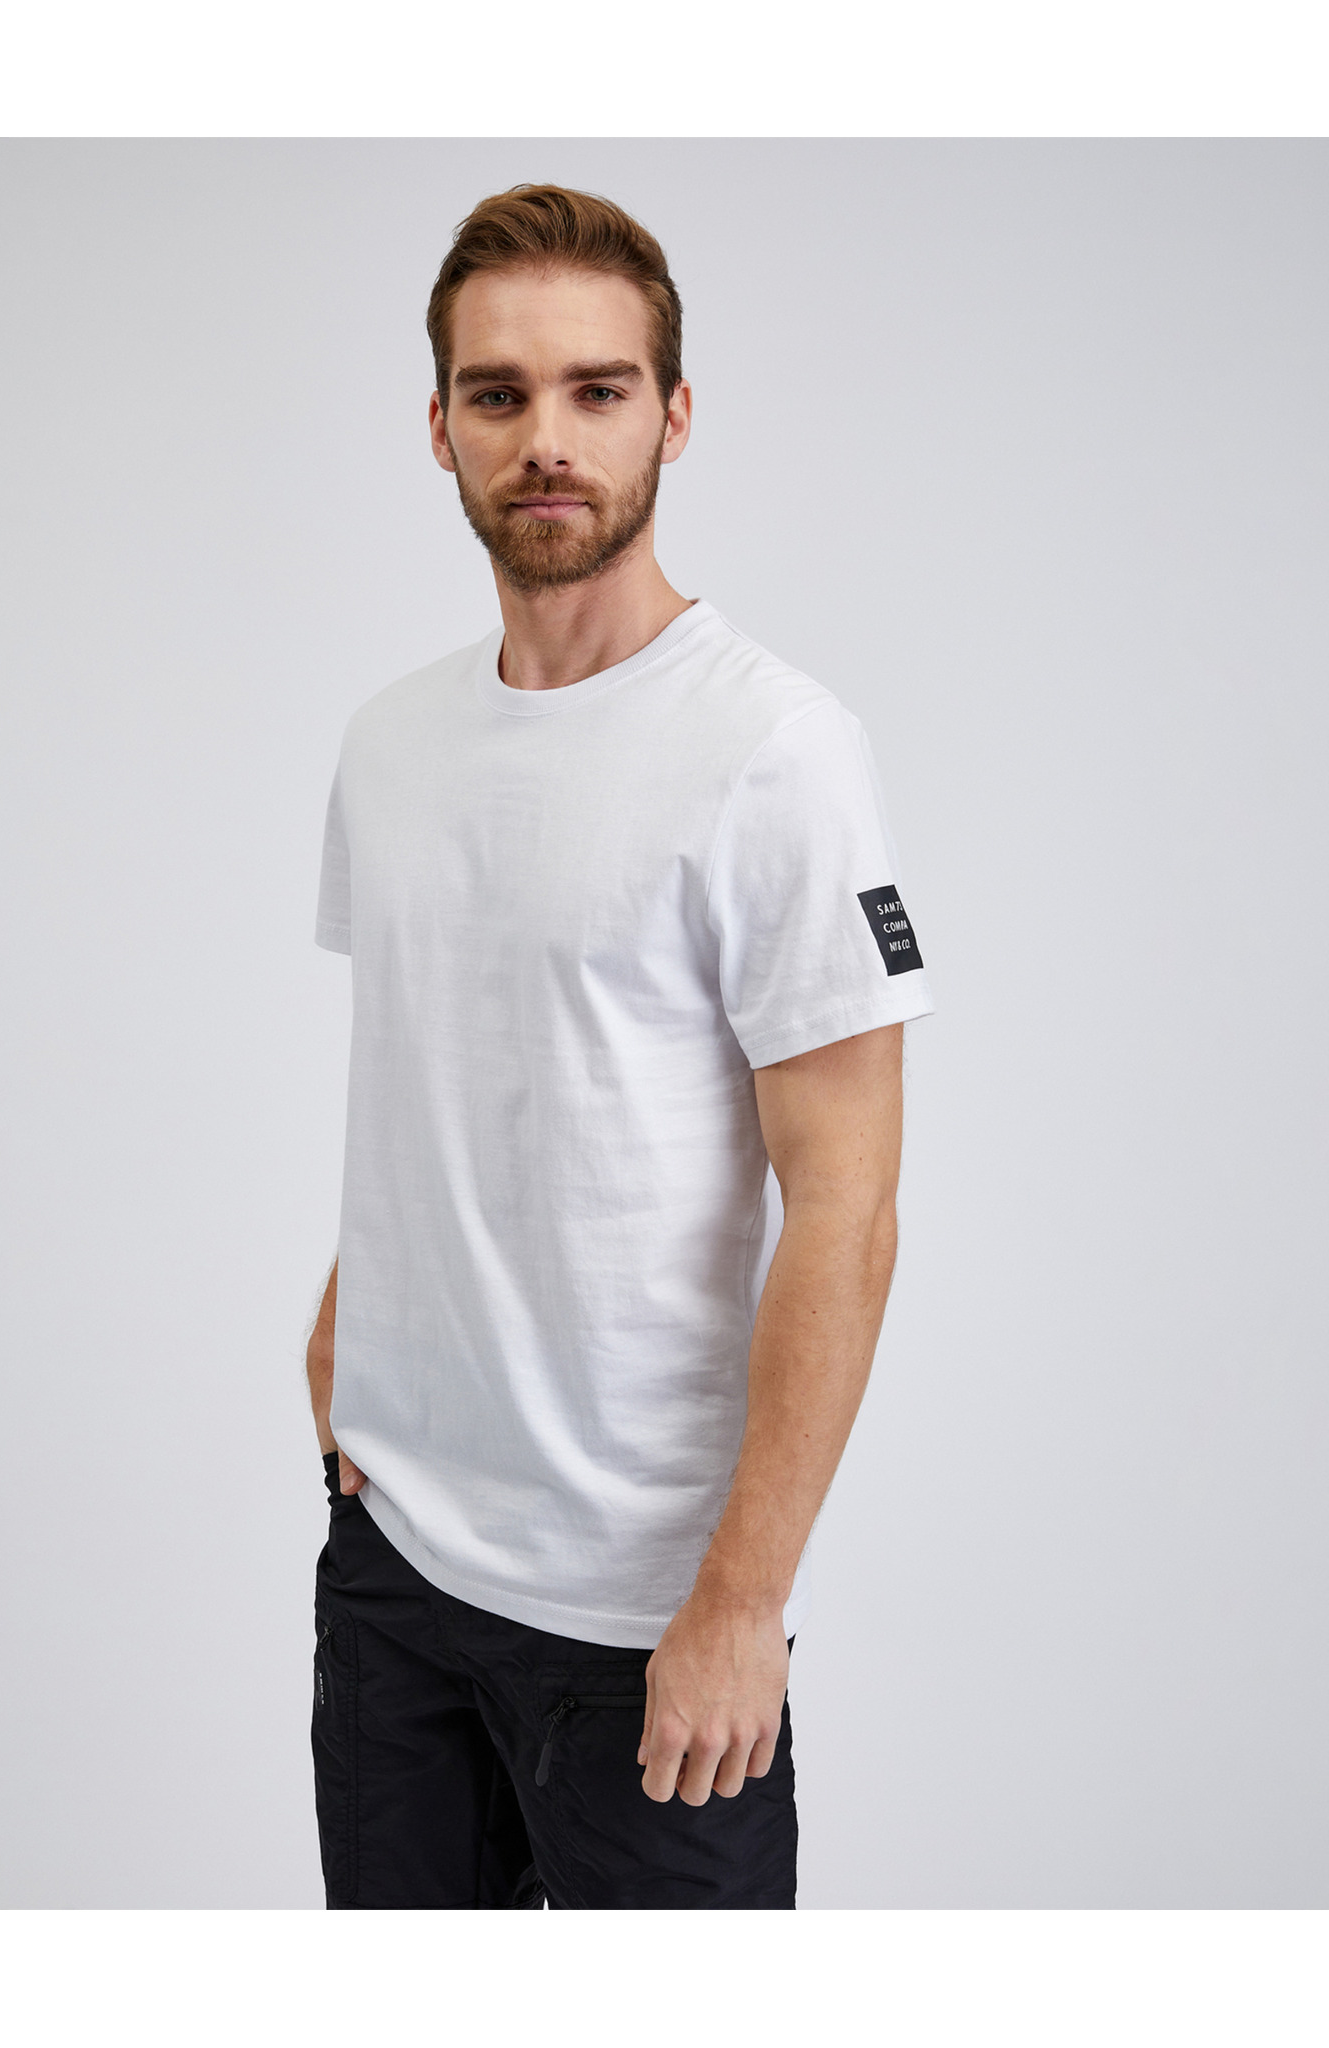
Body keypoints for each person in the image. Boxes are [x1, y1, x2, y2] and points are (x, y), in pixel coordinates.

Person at [304, 183, 933, 1910]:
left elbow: (849, 1207)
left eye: (598, 389)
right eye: (499, 394)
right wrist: (347, 1337)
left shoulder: (775, 749)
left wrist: (742, 1601)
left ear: (674, 413)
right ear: (441, 426)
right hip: (395, 1569)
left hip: (645, 1618)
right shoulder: (392, 743)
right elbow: (444, 1071)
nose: (548, 440)